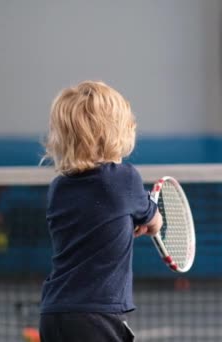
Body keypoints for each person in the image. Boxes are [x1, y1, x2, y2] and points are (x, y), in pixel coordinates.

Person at [39, 81, 163, 342]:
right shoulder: (123, 180)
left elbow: (93, 223)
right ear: (116, 133)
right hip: (96, 317)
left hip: (53, 314)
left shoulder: (58, 187)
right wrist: (151, 222)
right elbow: (153, 221)